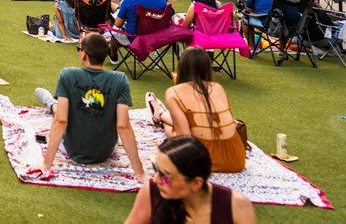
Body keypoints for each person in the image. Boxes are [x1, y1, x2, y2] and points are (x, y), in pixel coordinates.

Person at [33, 33, 146, 181]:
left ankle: (50, 103)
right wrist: (140, 173)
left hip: (71, 148)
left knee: (58, 111)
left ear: (83, 54)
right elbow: (123, 126)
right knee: (60, 111)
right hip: (106, 150)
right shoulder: (120, 80)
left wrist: (46, 165)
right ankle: (51, 103)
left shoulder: (68, 75)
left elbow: (61, 121)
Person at [145, 47, 246, 173]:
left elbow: (184, 138)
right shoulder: (218, 88)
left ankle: (160, 115)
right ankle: (160, 114)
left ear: (181, 66)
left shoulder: (174, 93)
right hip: (236, 159)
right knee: (189, 123)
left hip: (203, 161)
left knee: (174, 131)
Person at [124, 136, 256, 224]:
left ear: (196, 183)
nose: (156, 179)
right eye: (156, 169)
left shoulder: (235, 206)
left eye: (165, 176)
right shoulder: (152, 191)